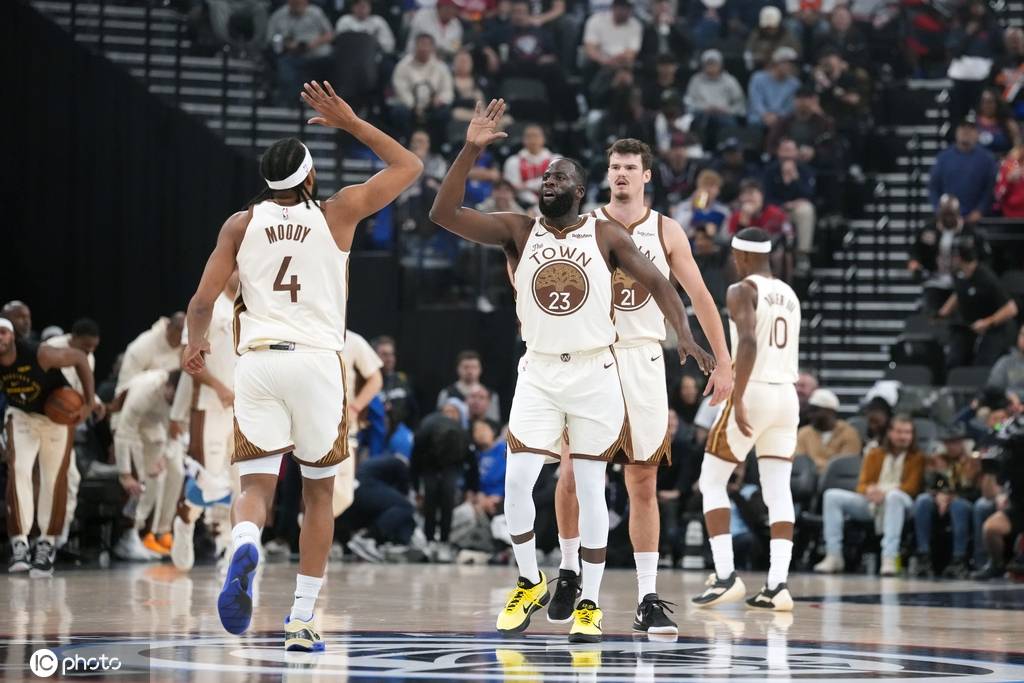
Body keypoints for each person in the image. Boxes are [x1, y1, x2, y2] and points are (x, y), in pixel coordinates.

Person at [429, 99, 714, 643]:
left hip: (593, 372)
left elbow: (659, 283)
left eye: (560, 177)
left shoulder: (604, 236)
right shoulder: (518, 230)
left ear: (579, 191)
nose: (549, 181)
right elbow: (443, 213)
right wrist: (470, 150)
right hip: (537, 373)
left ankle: (589, 602)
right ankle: (529, 580)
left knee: (590, 487)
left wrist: (685, 333)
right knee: (518, 481)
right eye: (545, 177)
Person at [182, 81, 422, 652]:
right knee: (318, 495)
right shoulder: (339, 212)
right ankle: (302, 618)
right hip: (316, 365)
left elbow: (201, 303)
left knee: (255, 486)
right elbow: (409, 166)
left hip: (258, 365)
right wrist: (351, 123)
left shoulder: (240, 224)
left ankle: (246, 540)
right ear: (309, 178)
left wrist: (195, 346)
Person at [548, 138, 733, 635]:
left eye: (630, 167)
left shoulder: (666, 229)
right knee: (571, 473)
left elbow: (700, 296)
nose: (622, 174)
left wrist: (724, 362)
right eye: (615, 166)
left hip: (645, 357)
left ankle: (647, 597)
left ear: (647, 175)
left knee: (643, 480)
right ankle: (569, 570)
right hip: (591, 358)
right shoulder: (584, 226)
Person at [689, 227, 801, 612]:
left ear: (743, 256)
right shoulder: (789, 294)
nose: (732, 263)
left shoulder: (741, 290)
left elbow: (749, 341)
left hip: (755, 389)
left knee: (711, 480)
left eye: (734, 257)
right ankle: (777, 585)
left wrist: (738, 396)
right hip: (787, 395)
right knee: (778, 490)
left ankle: (725, 576)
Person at [1, 318, 95, 576]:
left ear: (12, 336)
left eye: (3, 332)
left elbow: (79, 357)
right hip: (21, 416)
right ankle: (19, 543)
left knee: (53, 479)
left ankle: (46, 543)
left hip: (55, 419)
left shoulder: (39, 354)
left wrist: (88, 403)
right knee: (19, 471)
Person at [169, 273, 240, 570]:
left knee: (240, 483)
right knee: (209, 480)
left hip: (245, 410)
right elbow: (188, 361)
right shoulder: (208, 306)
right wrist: (219, 387)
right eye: (237, 267)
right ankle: (185, 519)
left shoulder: (255, 307)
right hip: (209, 406)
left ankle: (230, 545)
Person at [814, 415, 925, 576]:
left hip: (902, 503)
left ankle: (889, 557)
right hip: (873, 501)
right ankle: (833, 555)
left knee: (893, 497)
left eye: (908, 432)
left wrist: (884, 493)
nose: (903, 436)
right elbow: (862, 484)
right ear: (890, 433)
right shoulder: (875, 454)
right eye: (899, 432)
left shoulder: (918, 457)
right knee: (831, 496)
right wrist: (869, 490)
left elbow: (912, 487)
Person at [42, 318, 104, 549]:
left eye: (94, 348)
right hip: (41, 420)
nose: (90, 352)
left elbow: (81, 390)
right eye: (86, 346)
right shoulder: (51, 349)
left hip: (63, 425)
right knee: (46, 478)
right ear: (73, 338)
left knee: (71, 478)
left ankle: (59, 534)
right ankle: (38, 534)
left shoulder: (88, 357)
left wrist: (94, 402)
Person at [113, 369, 184, 561]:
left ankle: (147, 533)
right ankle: (126, 536)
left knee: (163, 476)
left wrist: (164, 456)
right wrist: (125, 474)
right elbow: (124, 431)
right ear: (167, 387)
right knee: (137, 479)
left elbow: (176, 431)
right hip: (124, 422)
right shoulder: (146, 391)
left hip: (153, 428)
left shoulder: (182, 398)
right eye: (175, 396)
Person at [937, 239, 1019, 368]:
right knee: (953, 360)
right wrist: (944, 311)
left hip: (994, 327)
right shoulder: (958, 274)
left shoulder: (986, 277)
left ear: (959, 259)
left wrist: (988, 322)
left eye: (950, 257)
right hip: (969, 325)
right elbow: (959, 292)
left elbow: (1011, 308)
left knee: (983, 364)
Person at [927, 116, 998, 224]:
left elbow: (990, 189)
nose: (966, 131)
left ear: (977, 133)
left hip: (977, 220)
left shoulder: (987, 159)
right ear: (956, 132)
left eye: (970, 129)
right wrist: (938, 208)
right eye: (963, 128)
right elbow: (933, 186)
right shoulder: (943, 157)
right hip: (947, 217)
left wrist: (980, 210)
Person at [265, 0, 334, 106]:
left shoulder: (316, 12)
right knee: (285, 67)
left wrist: (313, 43)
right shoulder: (278, 15)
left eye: (300, 3)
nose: (298, 5)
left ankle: (333, 104)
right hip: (292, 57)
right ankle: (291, 103)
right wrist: (287, 44)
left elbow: (330, 34)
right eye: (295, 3)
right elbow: (270, 39)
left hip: (319, 56)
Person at [796, 388, 862, 474]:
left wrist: (814, 464)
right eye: (810, 411)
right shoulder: (804, 433)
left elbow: (845, 467)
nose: (810, 415)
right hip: (807, 481)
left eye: (815, 410)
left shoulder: (849, 433)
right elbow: (800, 464)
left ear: (830, 411)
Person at [436, 350, 500, 421]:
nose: (470, 371)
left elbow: (494, 422)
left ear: (480, 369)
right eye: (466, 367)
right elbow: (440, 420)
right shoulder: (447, 393)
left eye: (474, 367)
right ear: (458, 369)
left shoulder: (490, 394)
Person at [989, 327, 1024, 396]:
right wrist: (1008, 395)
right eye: (1022, 334)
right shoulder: (1005, 362)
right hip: (1006, 401)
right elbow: (993, 388)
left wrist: (1018, 396)